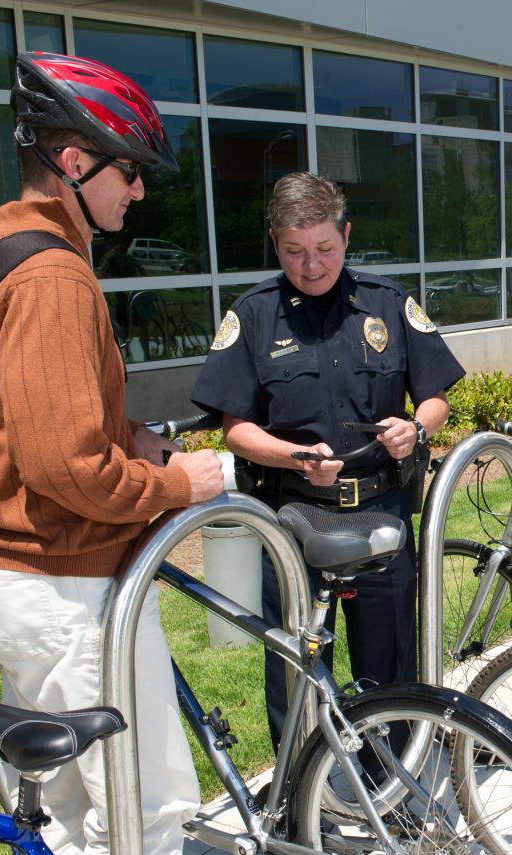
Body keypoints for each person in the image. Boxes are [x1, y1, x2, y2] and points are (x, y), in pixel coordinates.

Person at [0, 51, 224, 855]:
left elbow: (28, 424)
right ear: (73, 160)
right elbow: (66, 467)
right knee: (145, 804)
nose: (139, 192)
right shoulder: (53, 278)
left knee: (77, 811)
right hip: (67, 585)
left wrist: (130, 434)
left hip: (24, 580)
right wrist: (180, 484)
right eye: (129, 168)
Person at [191, 172, 464, 754]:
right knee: (294, 664)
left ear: (346, 234)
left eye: (324, 248)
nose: (310, 265)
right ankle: (298, 795)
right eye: (294, 251)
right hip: (294, 518)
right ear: (274, 241)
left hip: (383, 513)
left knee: (389, 662)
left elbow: (438, 395)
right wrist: (292, 455)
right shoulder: (256, 316)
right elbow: (235, 428)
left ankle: (390, 784)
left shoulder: (388, 304)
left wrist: (414, 428)